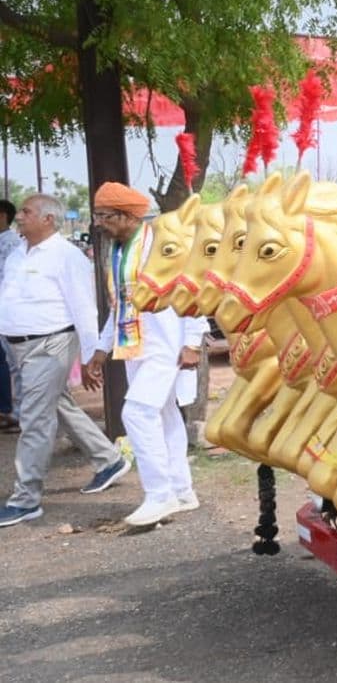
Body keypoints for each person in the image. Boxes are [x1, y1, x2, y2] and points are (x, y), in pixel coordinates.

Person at [0, 194, 130, 528]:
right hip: (18, 347)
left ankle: (26, 499)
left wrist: (90, 357)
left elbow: (85, 309)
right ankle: (108, 459)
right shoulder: (18, 253)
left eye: (27, 212)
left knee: (35, 417)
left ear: (48, 219)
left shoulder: (66, 256)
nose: (19, 217)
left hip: (51, 344)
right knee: (57, 403)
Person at [85, 183, 208, 527]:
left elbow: (191, 290)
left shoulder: (161, 243)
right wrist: (99, 349)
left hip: (166, 345)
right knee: (165, 415)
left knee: (137, 413)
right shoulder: (119, 249)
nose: (100, 223)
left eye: (105, 216)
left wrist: (193, 342)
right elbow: (120, 303)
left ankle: (159, 496)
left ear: (126, 216)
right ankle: (183, 492)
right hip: (135, 345)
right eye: (98, 216)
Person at [0, 199, 20, 432]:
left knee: (14, 364)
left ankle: (18, 414)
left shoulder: (12, 244)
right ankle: (8, 410)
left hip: (8, 313)